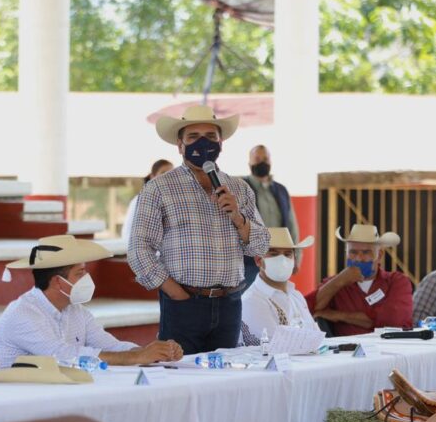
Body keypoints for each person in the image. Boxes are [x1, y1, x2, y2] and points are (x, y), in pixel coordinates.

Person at [129, 105, 270, 354]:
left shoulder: (239, 188)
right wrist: (175, 292)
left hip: (230, 303)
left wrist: (238, 218)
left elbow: (261, 245)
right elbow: (139, 249)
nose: (203, 143)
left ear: (221, 143)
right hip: (183, 303)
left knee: (226, 382)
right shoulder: (159, 188)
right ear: (180, 145)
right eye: (193, 137)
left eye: (210, 137)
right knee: (183, 381)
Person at [0, 235, 183, 369]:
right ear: (58, 282)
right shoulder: (22, 313)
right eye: (80, 273)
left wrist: (155, 353)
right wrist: (136, 356)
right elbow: (62, 355)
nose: (87, 278)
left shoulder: (76, 311)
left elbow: (111, 346)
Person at [306, 224, 413, 336]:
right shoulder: (334, 283)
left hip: (391, 350)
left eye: (366, 252)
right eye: (353, 252)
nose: (359, 258)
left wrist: (338, 315)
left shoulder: (397, 281)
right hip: (346, 352)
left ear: (379, 255)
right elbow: (306, 310)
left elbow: (393, 321)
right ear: (346, 254)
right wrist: (339, 281)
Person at [240, 228, 320, 346]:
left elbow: (317, 338)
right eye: (274, 254)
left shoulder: (296, 296)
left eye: (288, 254)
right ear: (258, 260)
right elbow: (277, 345)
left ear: (294, 260)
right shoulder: (252, 300)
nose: (282, 260)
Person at [242, 145, 301, 287]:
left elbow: (292, 225)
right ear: (249, 163)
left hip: (279, 259)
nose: (262, 162)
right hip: (249, 262)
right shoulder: (241, 187)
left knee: (276, 298)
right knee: (249, 302)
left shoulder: (281, 190)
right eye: (257, 158)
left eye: (265, 158)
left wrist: (296, 257)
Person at [122, 159, 173, 242]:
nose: (168, 177)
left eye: (171, 173)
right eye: (163, 173)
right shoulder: (140, 200)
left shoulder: (176, 201)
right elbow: (127, 233)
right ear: (152, 176)